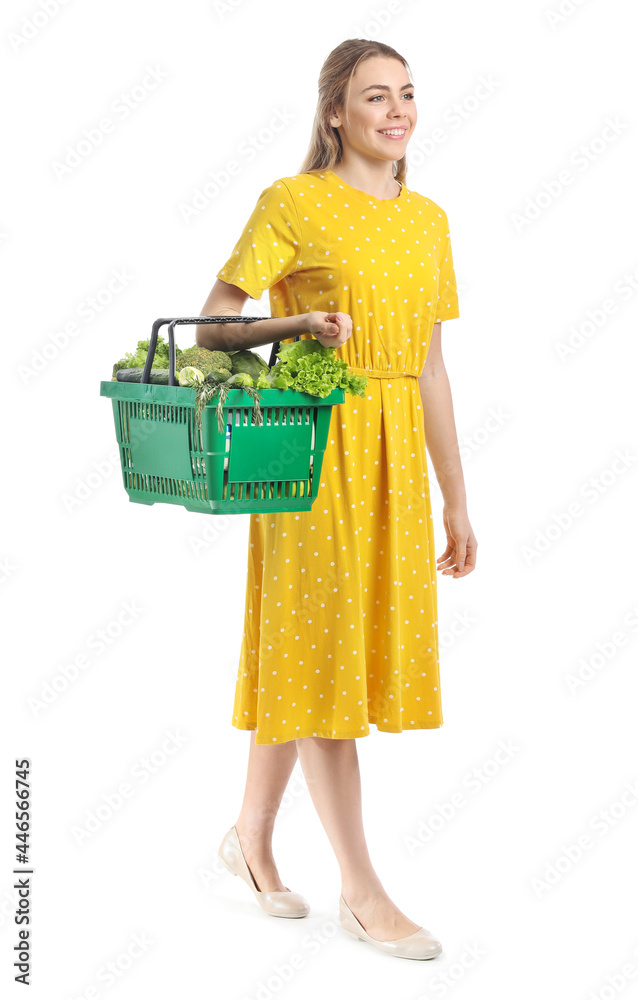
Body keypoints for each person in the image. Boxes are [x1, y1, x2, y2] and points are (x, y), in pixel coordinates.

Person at [197, 38, 477, 961]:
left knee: (312, 649)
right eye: (373, 97)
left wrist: (456, 498)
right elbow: (214, 325)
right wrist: (296, 324)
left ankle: (249, 842)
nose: (395, 111)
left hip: (397, 455)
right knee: (323, 663)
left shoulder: (429, 218)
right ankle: (364, 893)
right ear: (334, 113)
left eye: (406, 95)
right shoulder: (294, 201)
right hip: (313, 448)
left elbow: (432, 368)